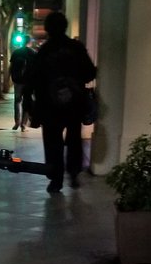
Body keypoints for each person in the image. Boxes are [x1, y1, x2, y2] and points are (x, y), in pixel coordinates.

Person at [23, 11, 96, 192]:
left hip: (49, 105)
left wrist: (28, 99)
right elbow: (90, 72)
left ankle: (55, 178)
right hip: (74, 103)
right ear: (65, 27)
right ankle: (73, 172)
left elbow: (32, 78)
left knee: (52, 141)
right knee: (74, 139)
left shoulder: (44, 51)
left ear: (48, 29)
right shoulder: (76, 48)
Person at [8, 35, 36, 130]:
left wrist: (9, 78)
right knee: (27, 102)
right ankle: (23, 125)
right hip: (28, 82)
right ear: (30, 42)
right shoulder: (33, 53)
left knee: (17, 101)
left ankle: (17, 122)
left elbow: (11, 67)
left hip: (18, 81)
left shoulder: (16, 52)